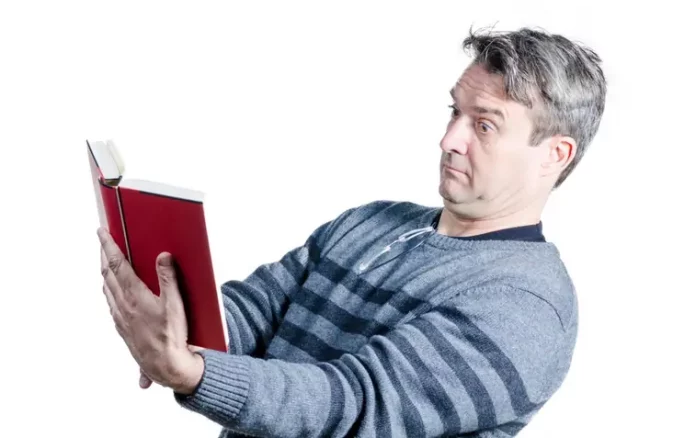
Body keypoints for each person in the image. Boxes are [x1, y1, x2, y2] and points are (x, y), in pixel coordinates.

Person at [98, 25, 606, 437]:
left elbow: (351, 405)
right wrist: (175, 323)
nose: (450, 139)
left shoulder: (527, 305)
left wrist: (193, 372)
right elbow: (259, 307)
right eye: (456, 112)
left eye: (485, 125)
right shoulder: (371, 221)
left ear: (554, 155)